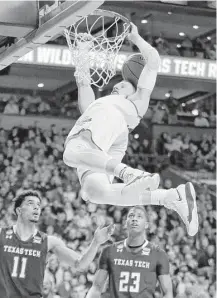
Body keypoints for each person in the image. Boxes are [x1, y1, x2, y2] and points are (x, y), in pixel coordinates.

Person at [63, 23, 198, 236]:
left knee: (70, 153)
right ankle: (171, 197)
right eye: (116, 85)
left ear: (133, 89)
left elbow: (153, 62)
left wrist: (136, 39)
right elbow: (83, 83)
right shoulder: (97, 104)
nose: (117, 85)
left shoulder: (136, 100)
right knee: (93, 192)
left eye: (124, 84)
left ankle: (130, 173)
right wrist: (83, 51)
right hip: (108, 140)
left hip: (111, 125)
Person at [0, 190, 115, 298]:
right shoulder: (2, 234)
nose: (36, 207)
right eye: (30, 203)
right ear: (19, 210)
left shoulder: (49, 241)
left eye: (39, 205)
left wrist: (95, 243)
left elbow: (80, 264)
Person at [86, 206, 173, 298]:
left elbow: (167, 293)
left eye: (139, 216)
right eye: (131, 216)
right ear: (125, 223)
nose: (134, 219)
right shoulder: (109, 251)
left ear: (146, 225)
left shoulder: (159, 254)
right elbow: (96, 287)